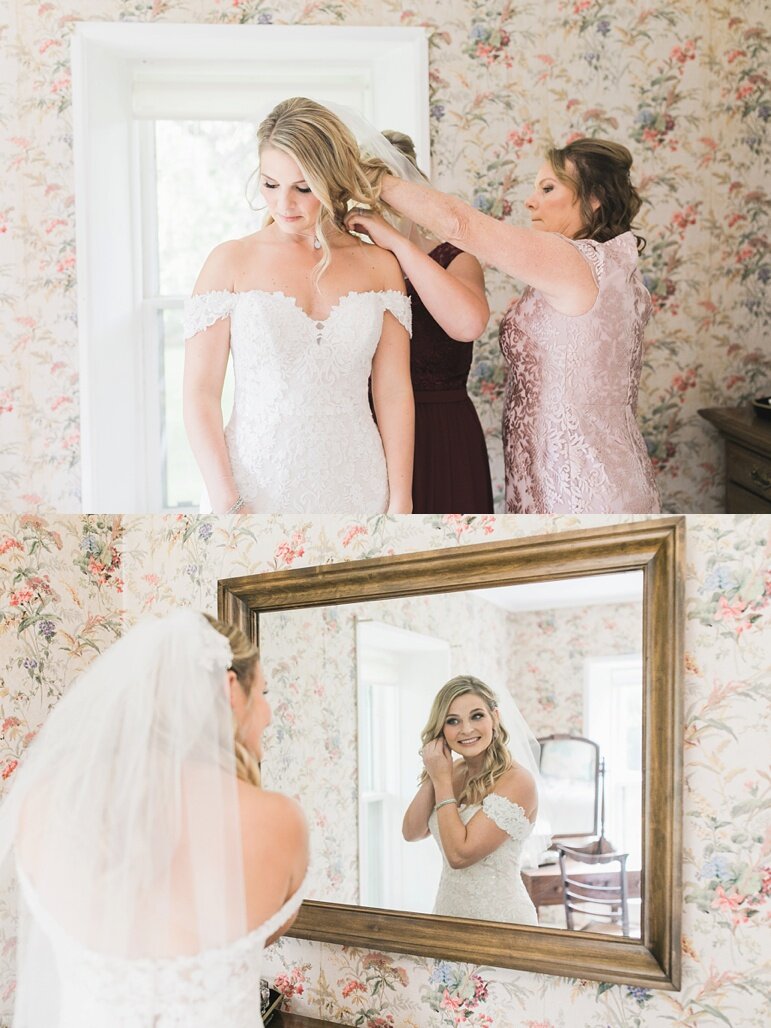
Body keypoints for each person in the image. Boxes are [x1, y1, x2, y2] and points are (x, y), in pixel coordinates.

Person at [0, 609, 308, 1026]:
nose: (269, 714)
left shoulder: (42, 805)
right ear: (230, 689)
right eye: (265, 693)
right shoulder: (278, 821)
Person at [376, 138, 661, 513]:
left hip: (580, 485)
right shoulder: (608, 267)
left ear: (594, 199)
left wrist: (371, 178)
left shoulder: (577, 262)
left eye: (548, 188)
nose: (530, 201)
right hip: (572, 474)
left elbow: (458, 224)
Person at [183, 97, 414, 515]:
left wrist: (401, 499)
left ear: (332, 181)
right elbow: (200, 394)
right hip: (251, 489)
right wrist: (227, 500)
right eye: (270, 185)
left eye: (303, 188)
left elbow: (394, 391)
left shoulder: (380, 266)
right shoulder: (230, 262)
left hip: (358, 484)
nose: (283, 204)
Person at [345, 131, 494, 514]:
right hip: (368, 433)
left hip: (444, 434)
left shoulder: (454, 259)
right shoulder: (353, 266)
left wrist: (397, 243)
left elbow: (468, 323)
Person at [402, 675, 546, 924]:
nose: (466, 729)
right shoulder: (451, 772)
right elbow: (412, 832)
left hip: (501, 922)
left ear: (495, 718)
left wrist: (442, 782)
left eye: (476, 716)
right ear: (441, 730)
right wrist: (434, 773)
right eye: (452, 721)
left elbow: (460, 856)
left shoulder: (518, 781)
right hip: (448, 916)